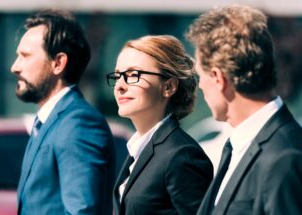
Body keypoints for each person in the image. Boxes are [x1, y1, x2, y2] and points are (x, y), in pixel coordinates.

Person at [187, 4, 302, 215]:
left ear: (218, 78)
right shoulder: (240, 145)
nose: (200, 85)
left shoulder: (285, 160)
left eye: (199, 75)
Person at [11, 9, 115, 215]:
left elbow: (82, 211)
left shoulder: (79, 123)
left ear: (58, 63)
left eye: (25, 56)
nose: (15, 67)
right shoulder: (49, 122)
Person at [107, 35, 213, 215]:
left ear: (169, 87)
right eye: (118, 76)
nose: (120, 86)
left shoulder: (182, 155)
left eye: (133, 75)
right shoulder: (137, 151)